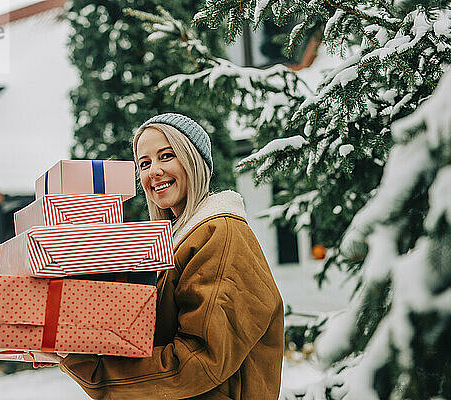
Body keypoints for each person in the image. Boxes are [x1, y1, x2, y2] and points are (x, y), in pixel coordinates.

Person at [60, 113, 284, 399]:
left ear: (193, 160)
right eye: (144, 163)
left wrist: (93, 369)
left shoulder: (221, 234)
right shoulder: (177, 242)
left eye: (166, 156)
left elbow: (198, 361)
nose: (153, 171)